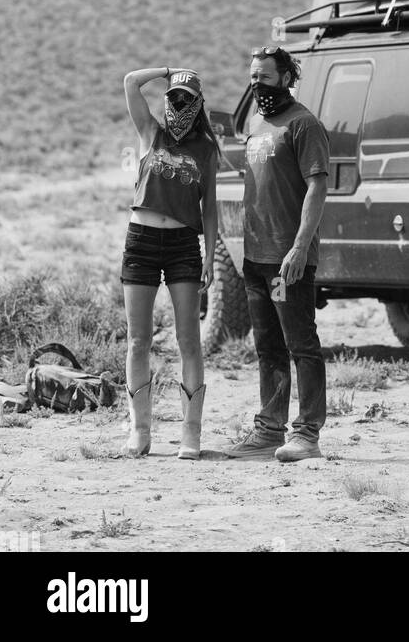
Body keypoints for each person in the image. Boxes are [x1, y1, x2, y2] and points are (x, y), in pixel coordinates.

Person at [226, 46, 329, 462]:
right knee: (267, 346)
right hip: (256, 256)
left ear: (286, 78)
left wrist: (300, 247)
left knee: (301, 344)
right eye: (253, 77)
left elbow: (318, 188)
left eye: (264, 78)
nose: (256, 84)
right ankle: (269, 430)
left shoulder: (304, 125)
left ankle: (307, 435)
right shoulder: (255, 123)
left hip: (289, 258)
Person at [121, 66, 219, 459]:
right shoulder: (150, 132)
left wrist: (210, 254)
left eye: (186, 99)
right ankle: (139, 431)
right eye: (173, 97)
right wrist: (167, 72)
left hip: (182, 244)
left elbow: (209, 207)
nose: (178, 105)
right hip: (141, 240)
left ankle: (190, 435)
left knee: (188, 341)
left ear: (198, 105)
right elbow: (130, 82)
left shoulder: (206, 149)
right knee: (138, 340)